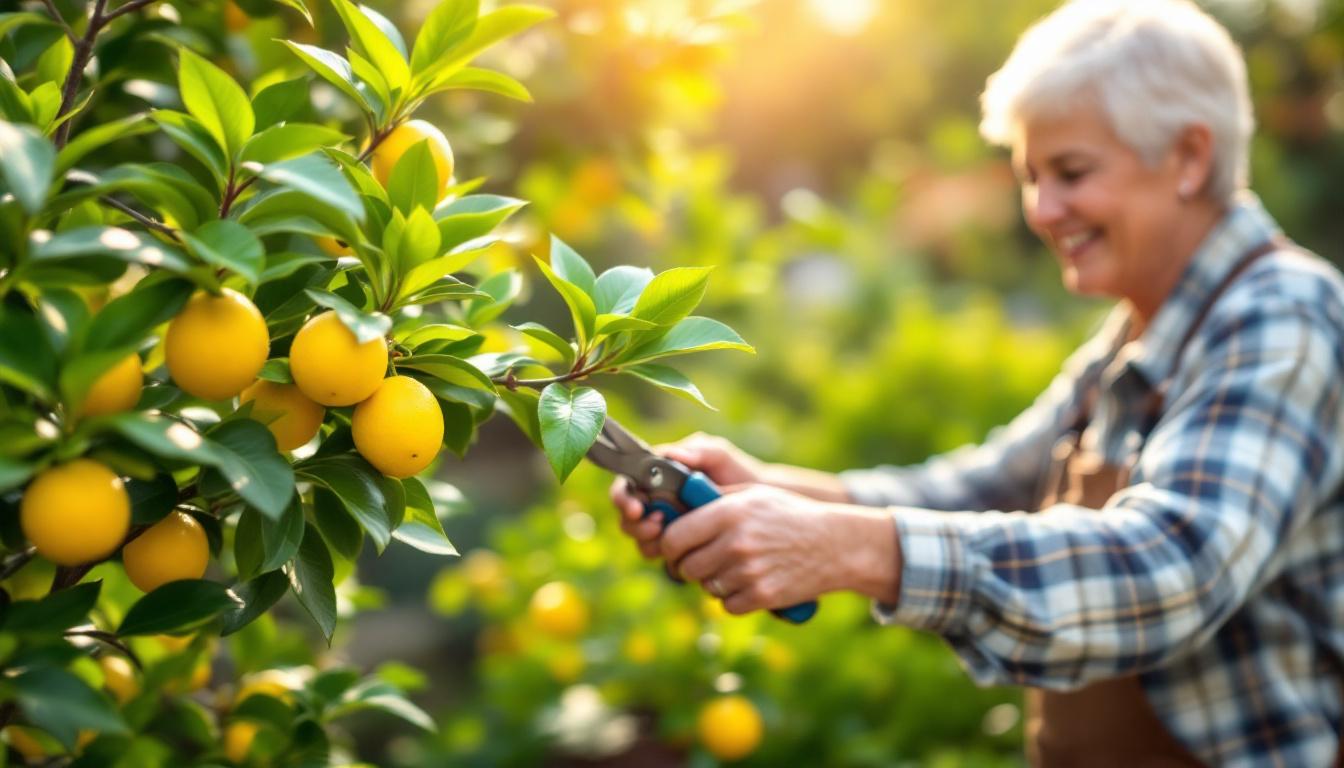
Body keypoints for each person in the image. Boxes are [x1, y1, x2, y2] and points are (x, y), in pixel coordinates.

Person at [610, 1, 1344, 765]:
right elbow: (989, 483)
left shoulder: (1285, 317)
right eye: (1031, 177)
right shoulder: (1140, 331)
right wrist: (784, 491)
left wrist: (855, 549)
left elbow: (1170, 568)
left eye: (1071, 173)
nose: (1041, 209)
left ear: (1189, 157)